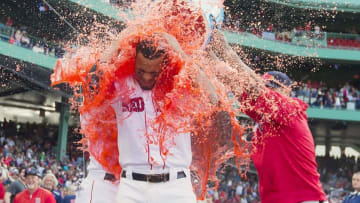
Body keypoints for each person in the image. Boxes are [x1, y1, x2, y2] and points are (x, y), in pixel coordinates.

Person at [208, 29, 327, 203]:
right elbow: (235, 84)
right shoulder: (264, 118)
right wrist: (206, 53)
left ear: (286, 91)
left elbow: (250, 85)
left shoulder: (291, 109)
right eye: (267, 87)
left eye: (274, 88)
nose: (269, 92)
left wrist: (224, 49)